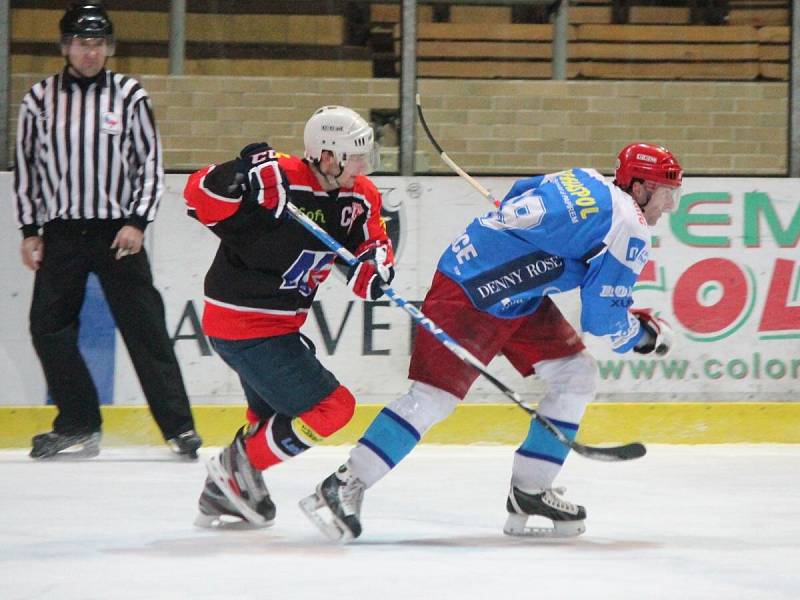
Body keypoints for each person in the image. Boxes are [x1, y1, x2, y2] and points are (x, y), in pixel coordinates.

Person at [300, 143, 683, 541]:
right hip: (473, 289)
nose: (667, 206)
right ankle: (345, 482)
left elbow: (521, 191)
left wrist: (528, 238)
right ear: (639, 188)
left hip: (512, 287)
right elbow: (602, 320)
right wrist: (642, 337)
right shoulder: (631, 226)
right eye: (664, 193)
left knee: (575, 373)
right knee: (434, 397)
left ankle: (530, 492)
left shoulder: (584, 176)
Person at [183, 105, 394, 528]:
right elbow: (198, 197)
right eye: (356, 156)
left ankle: (225, 493)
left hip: (280, 326)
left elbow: (372, 243)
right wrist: (235, 173)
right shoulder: (276, 175)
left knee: (272, 419)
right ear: (328, 156)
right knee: (334, 409)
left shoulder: (360, 195)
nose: (363, 166)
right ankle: (235, 468)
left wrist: (373, 267)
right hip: (243, 324)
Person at [13, 3, 201, 460]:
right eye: (81, 43)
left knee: (146, 330)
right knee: (47, 327)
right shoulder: (38, 101)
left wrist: (137, 221)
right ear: (65, 47)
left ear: (109, 48)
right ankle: (78, 422)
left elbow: (149, 166)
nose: (90, 52)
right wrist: (30, 228)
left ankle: (179, 428)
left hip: (118, 234)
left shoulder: (130, 96)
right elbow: (28, 170)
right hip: (60, 233)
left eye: (97, 44)